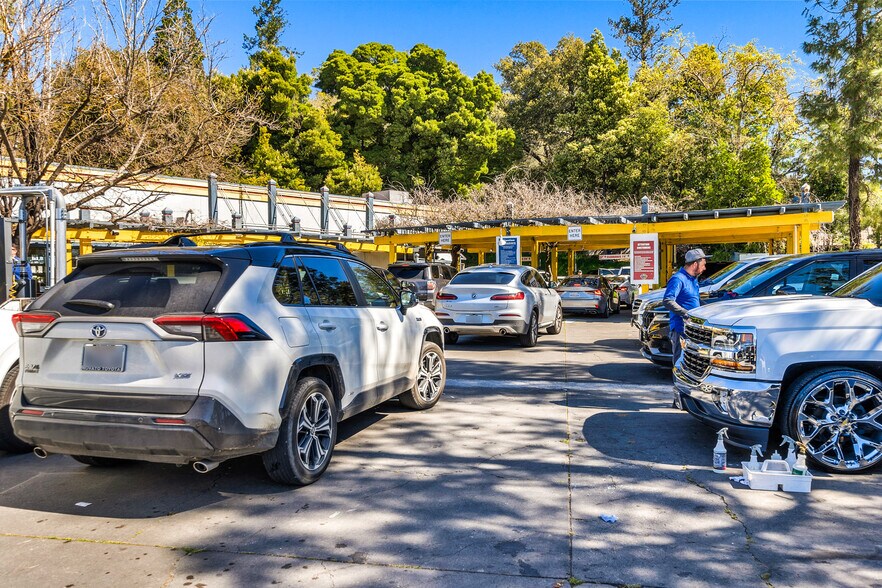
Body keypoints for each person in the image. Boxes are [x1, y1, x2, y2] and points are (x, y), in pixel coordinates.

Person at [663, 248, 708, 365]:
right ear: (694, 264)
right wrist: (686, 314)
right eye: (703, 265)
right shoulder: (678, 279)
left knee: (691, 363)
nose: (704, 268)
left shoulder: (693, 280)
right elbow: (668, 300)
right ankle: (677, 382)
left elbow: (694, 299)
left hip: (692, 329)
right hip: (680, 329)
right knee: (680, 362)